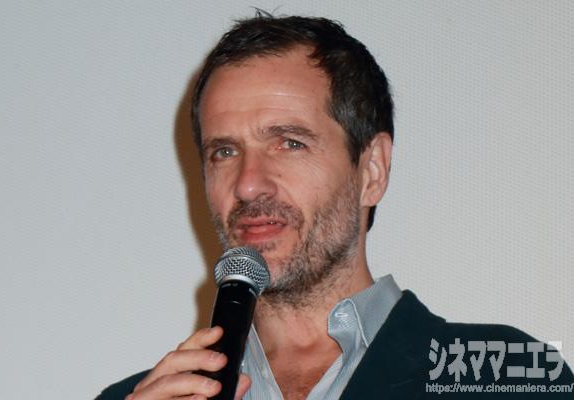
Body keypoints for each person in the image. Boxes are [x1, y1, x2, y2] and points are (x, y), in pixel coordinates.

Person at [97, 12, 573, 400]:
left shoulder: (507, 375)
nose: (247, 184)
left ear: (372, 170)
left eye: (289, 143)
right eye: (224, 151)